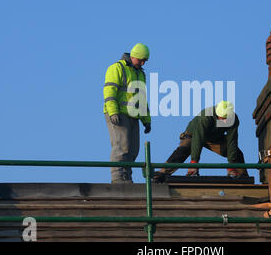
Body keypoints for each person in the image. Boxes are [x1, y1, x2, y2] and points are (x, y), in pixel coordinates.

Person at [153, 101, 248, 183]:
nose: (223, 121)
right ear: (217, 113)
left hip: (214, 138)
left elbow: (232, 141)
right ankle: (162, 172)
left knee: (236, 153)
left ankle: (242, 177)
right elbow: (198, 138)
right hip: (194, 135)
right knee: (184, 149)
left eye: (225, 118)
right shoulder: (205, 116)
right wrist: (194, 162)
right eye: (221, 118)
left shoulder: (233, 120)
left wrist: (231, 164)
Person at [103, 43, 151, 184]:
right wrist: (113, 112)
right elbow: (109, 92)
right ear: (134, 56)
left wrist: (146, 120)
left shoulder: (140, 74)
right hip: (118, 114)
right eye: (141, 59)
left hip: (133, 116)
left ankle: (126, 177)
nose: (143, 63)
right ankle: (118, 177)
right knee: (121, 146)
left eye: (145, 61)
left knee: (133, 150)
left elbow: (141, 98)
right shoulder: (117, 68)